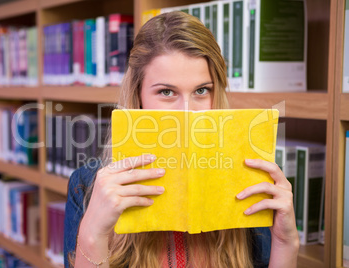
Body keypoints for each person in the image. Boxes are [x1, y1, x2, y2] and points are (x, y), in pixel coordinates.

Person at [64, 11, 299, 268]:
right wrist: (92, 234)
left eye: (201, 90)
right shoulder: (86, 186)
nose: (186, 112)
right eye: (166, 91)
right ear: (138, 96)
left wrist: (286, 243)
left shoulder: (251, 182)